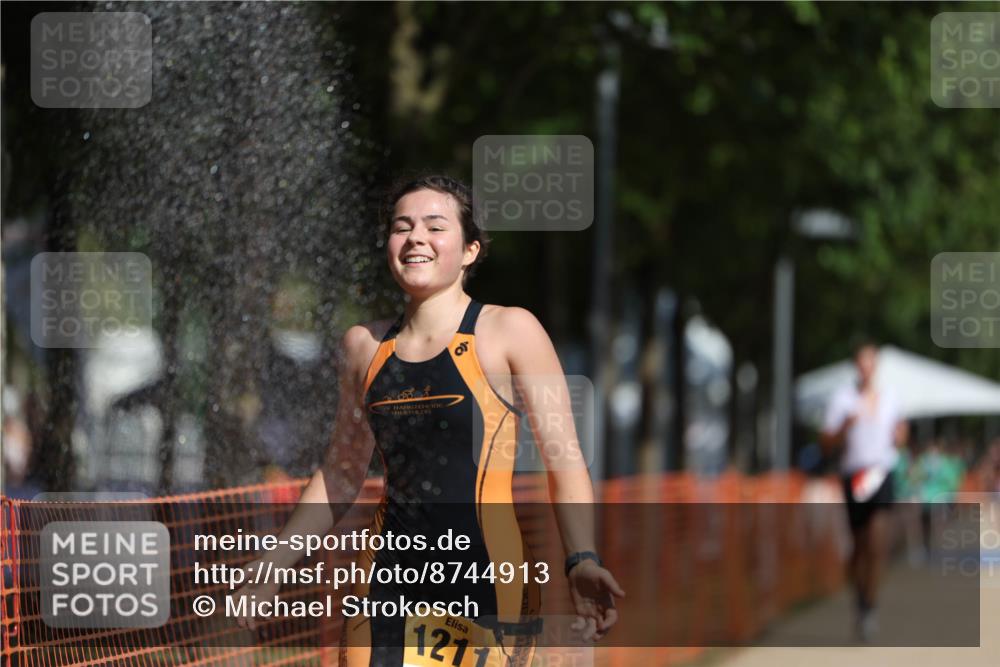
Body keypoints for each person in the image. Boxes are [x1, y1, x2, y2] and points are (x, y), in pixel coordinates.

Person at [231, 175, 624, 666]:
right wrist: (274, 563)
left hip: (486, 577)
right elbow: (341, 472)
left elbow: (563, 460)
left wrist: (581, 558)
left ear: (469, 250)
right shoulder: (363, 346)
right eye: (402, 226)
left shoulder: (510, 330)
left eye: (435, 226)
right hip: (384, 578)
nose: (416, 237)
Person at [820, 341, 907, 642]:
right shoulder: (843, 399)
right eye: (862, 362)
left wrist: (900, 435)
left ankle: (870, 605)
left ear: (876, 366)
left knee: (877, 541)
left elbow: (900, 433)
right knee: (859, 544)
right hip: (854, 473)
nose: (866, 368)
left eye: (871, 362)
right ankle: (860, 600)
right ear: (856, 366)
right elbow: (827, 442)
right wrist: (844, 427)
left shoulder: (890, 397)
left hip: (881, 471)